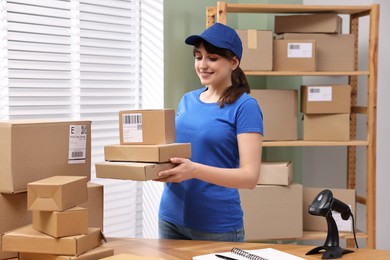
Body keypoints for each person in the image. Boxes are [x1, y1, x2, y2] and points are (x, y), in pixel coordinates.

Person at [155, 23, 263, 242]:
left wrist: (194, 170)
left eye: (212, 58)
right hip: (170, 218)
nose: (202, 65)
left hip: (216, 226)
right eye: (198, 57)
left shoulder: (245, 107)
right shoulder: (187, 100)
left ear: (234, 62)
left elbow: (250, 177)